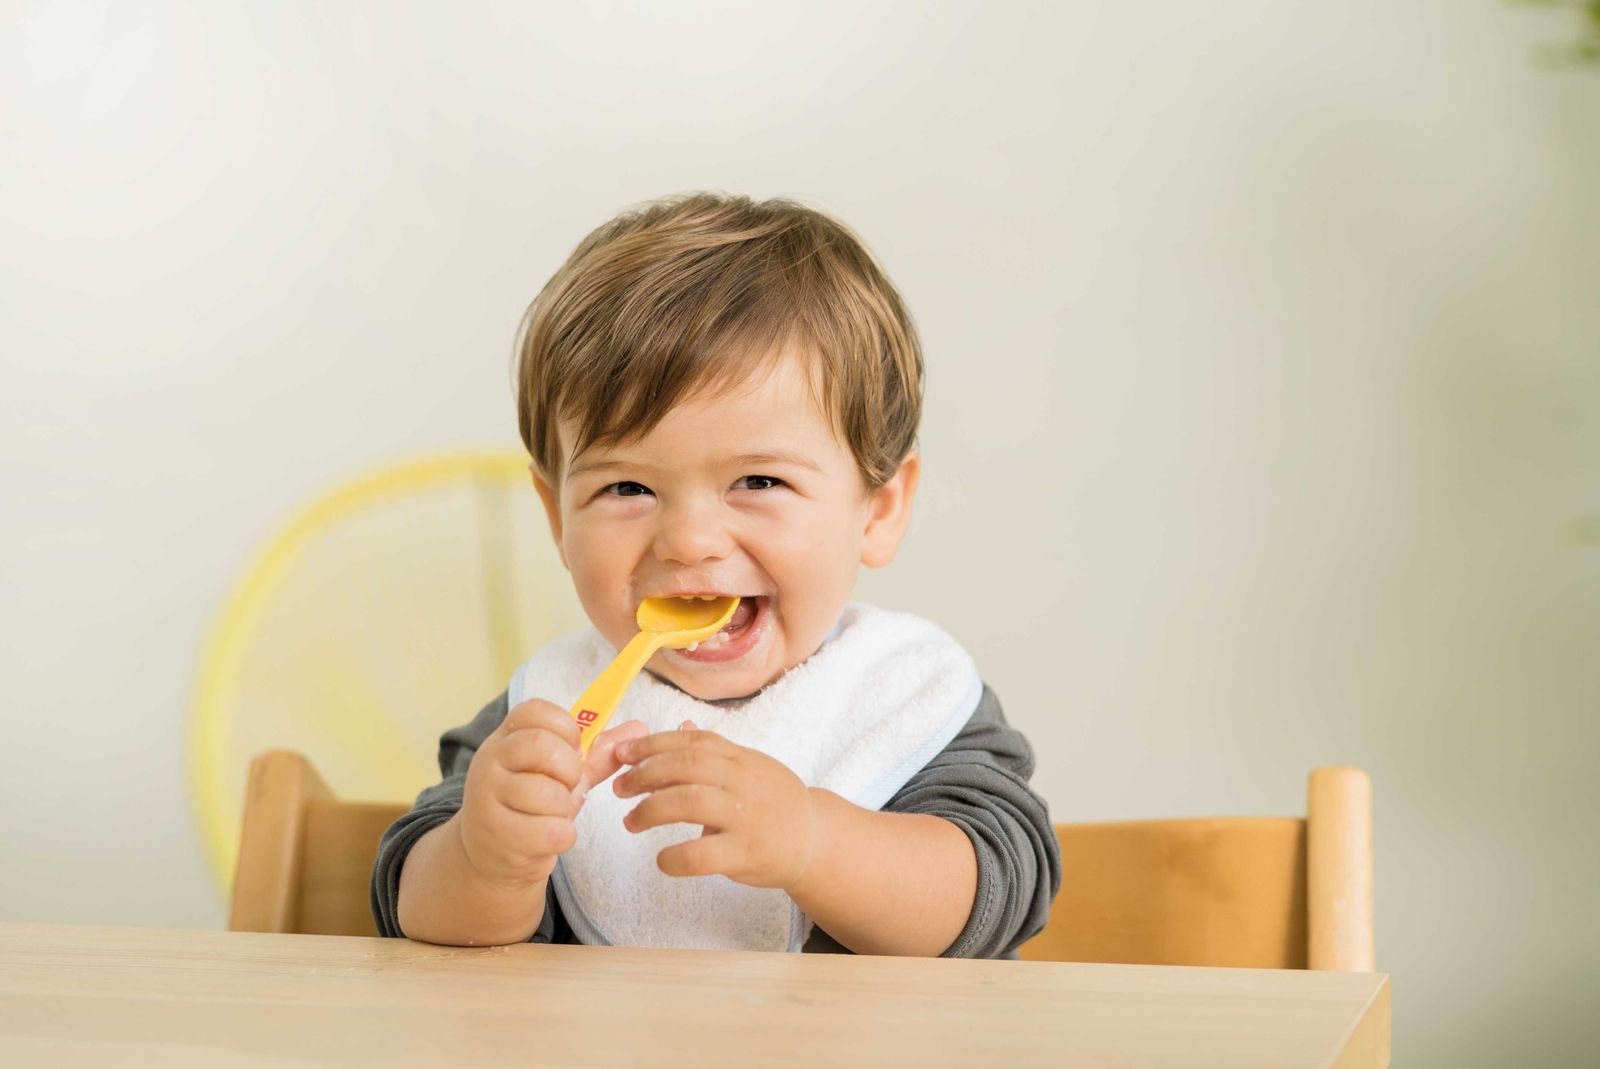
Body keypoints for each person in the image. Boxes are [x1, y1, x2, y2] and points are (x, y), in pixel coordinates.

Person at [371, 193, 1061, 956]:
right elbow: (410, 908)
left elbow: (997, 890)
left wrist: (812, 840)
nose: (691, 541)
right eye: (626, 488)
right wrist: (486, 859)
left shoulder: (900, 691)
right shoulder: (549, 709)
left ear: (879, 508)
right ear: (557, 514)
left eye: (759, 481)